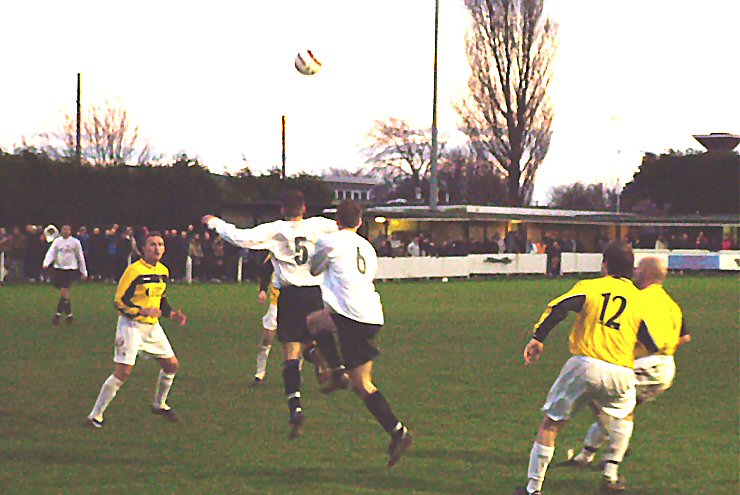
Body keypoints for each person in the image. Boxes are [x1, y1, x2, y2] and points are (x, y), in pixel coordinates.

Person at [513, 240, 659, 495]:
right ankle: (611, 475)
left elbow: (559, 308)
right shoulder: (638, 299)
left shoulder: (591, 287)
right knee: (625, 417)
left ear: (605, 265)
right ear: (630, 268)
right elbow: (649, 342)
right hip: (621, 372)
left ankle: (533, 489)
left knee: (551, 424)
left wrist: (538, 337)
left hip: (585, 364)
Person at [203, 190, 338, 439]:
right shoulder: (320, 225)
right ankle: (321, 358)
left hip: (290, 295)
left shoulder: (276, 230)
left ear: (282, 210)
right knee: (309, 343)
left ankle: (295, 408)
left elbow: (239, 237)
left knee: (290, 352)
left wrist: (215, 222)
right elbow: (342, 227)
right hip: (314, 294)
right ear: (304, 209)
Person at [307, 200, 413, 467]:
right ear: (359, 222)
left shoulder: (330, 241)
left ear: (337, 221)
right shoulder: (367, 246)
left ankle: (337, 371)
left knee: (360, 383)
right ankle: (398, 432)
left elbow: (313, 269)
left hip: (350, 315)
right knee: (319, 324)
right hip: (372, 315)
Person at [566, 256, 690, 467]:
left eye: (639, 269)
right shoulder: (671, 304)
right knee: (614, 406)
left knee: (596, 393)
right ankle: (585, 456)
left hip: (648, 364)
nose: (635, 272)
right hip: (665, 366)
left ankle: (615, 446)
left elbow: (638, 331)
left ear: (648, 273)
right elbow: (685, 337)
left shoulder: (640, 299)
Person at [85, 231, 187, 428]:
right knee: (123, 372)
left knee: (171, 365)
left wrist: (173, 314)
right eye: (152, 244)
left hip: (151, 327)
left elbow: (161, 300)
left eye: (160, 244)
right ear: (142, 249)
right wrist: (141, 310)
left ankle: (159, 404)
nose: (157, 248)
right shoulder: (134, 271)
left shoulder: (163, 271)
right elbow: (119, 302)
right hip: (130, 326)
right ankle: (95, 415)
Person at [42, 225, 88, 325]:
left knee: (64, 290)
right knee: (64, 294)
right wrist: (46, 263)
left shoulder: (75, 242)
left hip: (70, 269)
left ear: (71, 231)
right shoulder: (57, 241)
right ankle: (69, 315)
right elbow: (51, 252)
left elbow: (80, 257)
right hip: (58, 269)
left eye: (67, 230)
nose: (65, 231)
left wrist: (84, 272)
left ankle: (57, 315)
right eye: (64, 229)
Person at [252, 253, 279, 386]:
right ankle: (260, 373)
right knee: (267, 337)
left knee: (299, 339)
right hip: (277, 302)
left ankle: (296, 371)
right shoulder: (277, 249)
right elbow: (266, 269)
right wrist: (263, 290)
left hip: (298, 300)